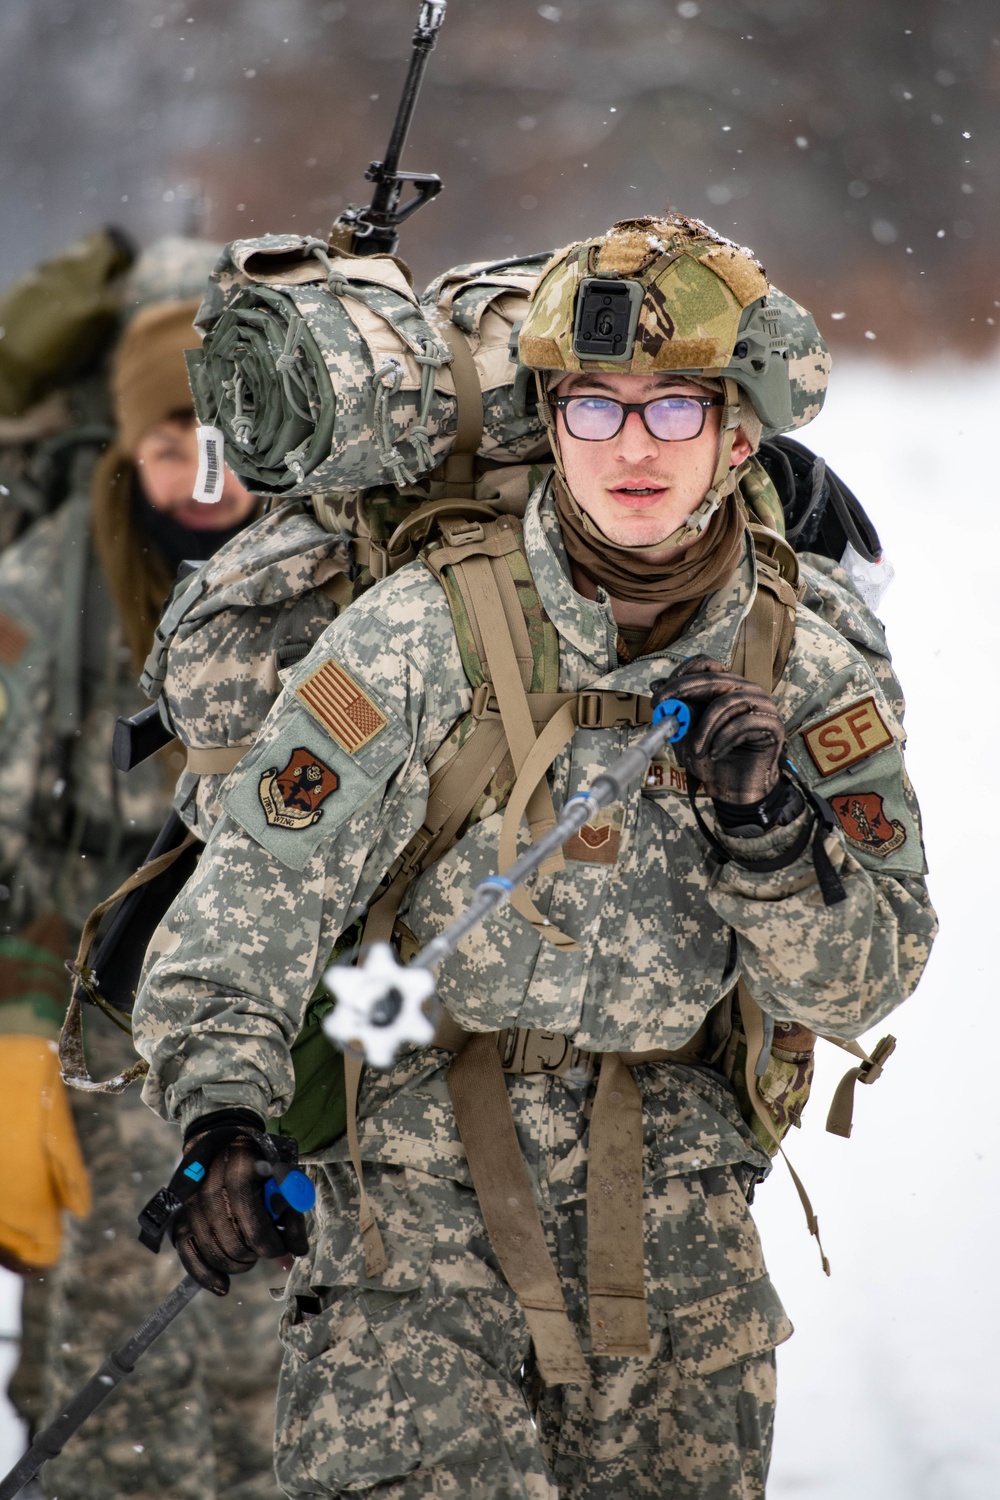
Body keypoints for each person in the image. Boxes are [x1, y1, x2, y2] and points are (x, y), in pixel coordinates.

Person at [132, 214, 938, 1500]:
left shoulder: (809, 669)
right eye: (594, 408)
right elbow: (256, 898)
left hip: (680, 1222)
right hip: (414, 1199)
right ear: (549, 421)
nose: (631, 447)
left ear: (740, 436)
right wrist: (224, 1115)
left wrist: (769, 835)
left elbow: (864, 983)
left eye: (675, 411)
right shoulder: (418, 634)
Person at [0, 284, 287, 1500]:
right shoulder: (41, 604)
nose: (202, 474)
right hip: (98, 1030)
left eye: (225, 438)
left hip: (283, 1029)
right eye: (171, 442)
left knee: (274, 1352)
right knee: (114, 1352)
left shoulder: (326, 581)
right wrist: (11, 1038)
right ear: (129, 448)